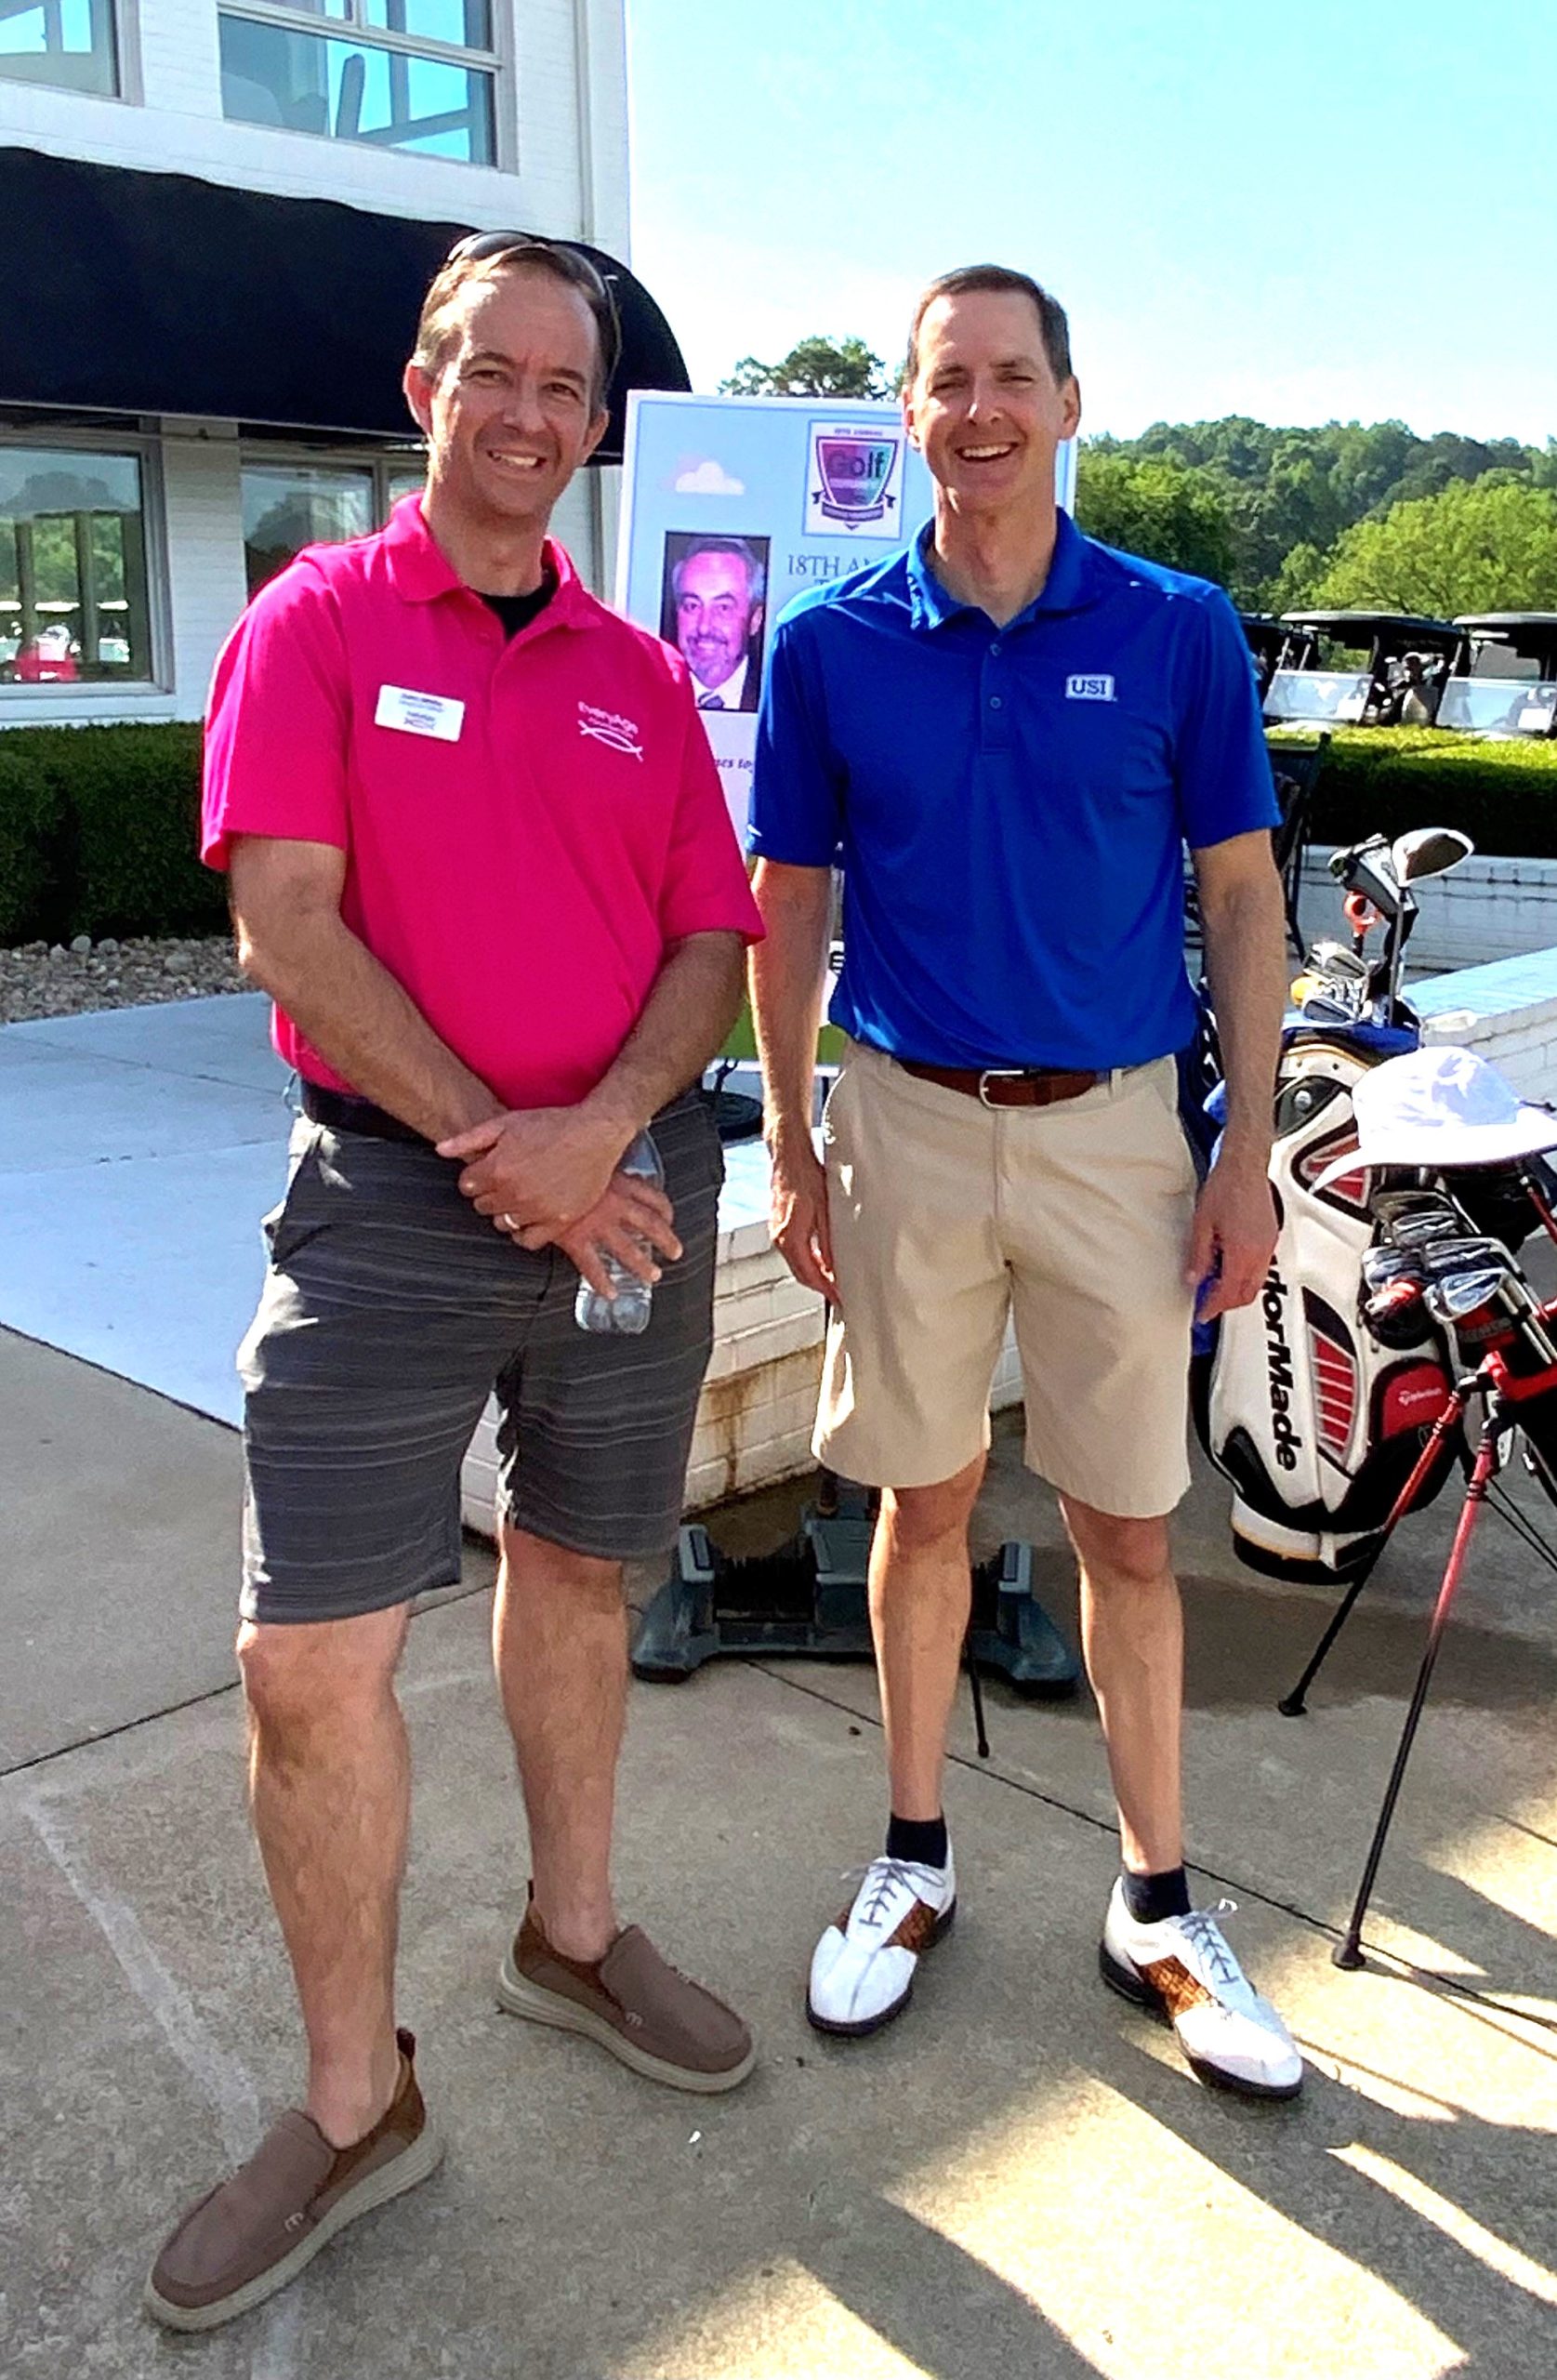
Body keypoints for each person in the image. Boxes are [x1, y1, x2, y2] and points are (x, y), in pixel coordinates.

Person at [146, 232, 764, 2333]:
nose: (524, 414)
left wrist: (597, 1133)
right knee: (304, 1659)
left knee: (581, 1570)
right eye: (487, 371)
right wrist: (511, 1150)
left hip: (629, 1192)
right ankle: (349, 2101)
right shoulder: (311, 624)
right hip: (395, 1209)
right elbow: (288, 931)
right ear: (423, 383)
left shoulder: (633, 668)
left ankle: (570, 1934)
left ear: (596, 426)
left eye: (562, 389)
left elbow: (708, 940)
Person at [748, 262, 1304, 2101]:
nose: (978, 408)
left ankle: (1154, 1897)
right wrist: (798, 1132)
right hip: (904, 1119)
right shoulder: (831, 643)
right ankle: (912, 1856)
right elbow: (793, 904)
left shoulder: (1175, 627)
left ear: (1072, 403)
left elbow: (1239, 894)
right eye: (945, 380)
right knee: (919, 1505)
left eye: (1013, 376)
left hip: (1121, 1130)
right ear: (903, 414)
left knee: (1130, 1527)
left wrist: (1244, 1157)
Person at [671, 536, 766, 710]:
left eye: (723, 608)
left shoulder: (776, 699)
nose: (704, 627)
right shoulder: (650, 695)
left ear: (755, 620)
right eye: (692, 606)